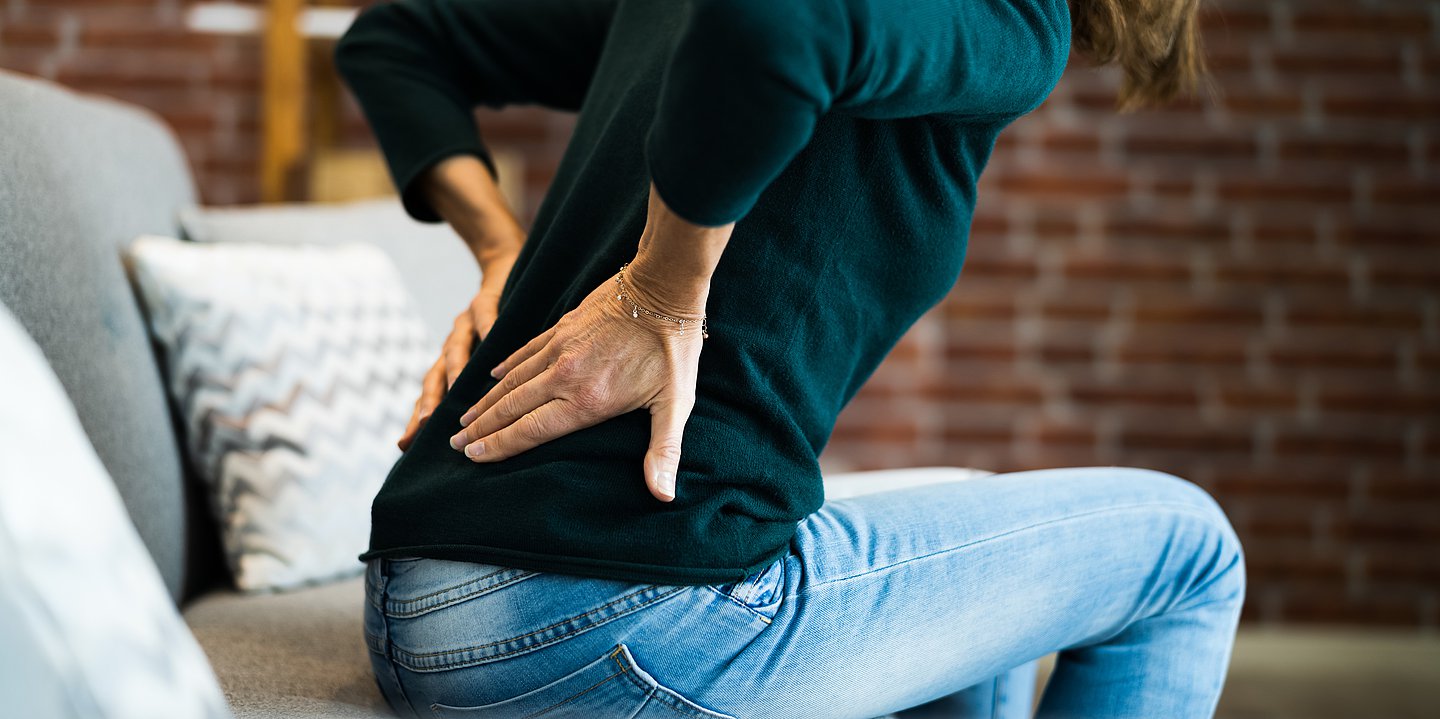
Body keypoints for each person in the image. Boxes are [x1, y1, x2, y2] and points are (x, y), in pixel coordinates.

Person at [334, 0, 1242, 717]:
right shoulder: (1010, 13)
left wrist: (502, 252)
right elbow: (776, 19)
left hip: (415, 597)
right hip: (611, 615)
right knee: (1190, 548)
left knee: (972, 513)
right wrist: (661, 287)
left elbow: (398, 38)